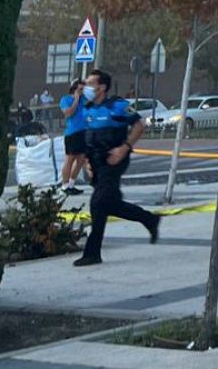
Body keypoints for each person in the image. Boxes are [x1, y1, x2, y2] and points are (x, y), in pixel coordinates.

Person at [73, 69, 160, 267]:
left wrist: (125, 148)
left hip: (114, 158)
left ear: (102, 87)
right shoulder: (87, 108)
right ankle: (149, 219)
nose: (86, 88)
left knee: (98, 202)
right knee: (108, 205)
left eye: (90, 84)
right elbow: (86, 138)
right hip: (95, 161)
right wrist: (87, 163)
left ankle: (92, 252)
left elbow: (139, 126)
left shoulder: (118, 106)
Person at [58, 80, 89, 194]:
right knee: (69, 159)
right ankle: (64, 186)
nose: (82, 92)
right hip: (72, 133)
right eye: (80, 89)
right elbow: (68, 113)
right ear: (74, 89)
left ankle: (71, 184)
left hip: (83, 132)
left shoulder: (84, 100)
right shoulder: (66, 99)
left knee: (81, 160)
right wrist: (75, 99)